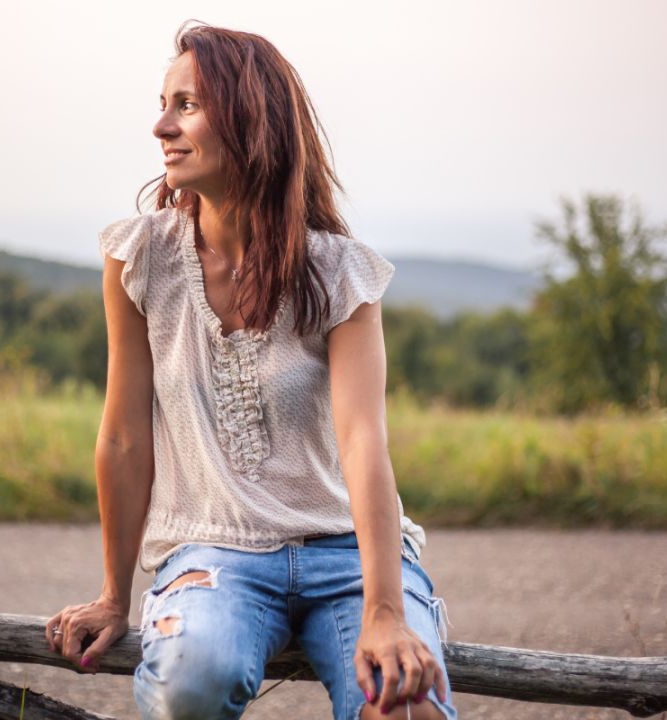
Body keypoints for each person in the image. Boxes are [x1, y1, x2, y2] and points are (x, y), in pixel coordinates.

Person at [46, 21, 458, 720]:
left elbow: (364, 441)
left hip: (347, 556)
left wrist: (386, 611)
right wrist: (115, 596)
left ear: (248, 119)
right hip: (213, 554)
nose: (160, 126)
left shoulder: (338, 272)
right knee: (191, 683)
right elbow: (122, 437)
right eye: (163, 101)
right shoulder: (138, 258)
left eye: (186, 105)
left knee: (405, 707)